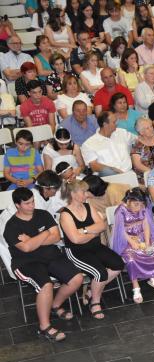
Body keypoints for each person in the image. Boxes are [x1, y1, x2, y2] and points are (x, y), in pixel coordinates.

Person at [4, 188, 83, 342]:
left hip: (51, 257)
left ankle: (55, 305)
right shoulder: (11, 226)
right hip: (26, 263)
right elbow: (26, 248)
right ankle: (44, 327)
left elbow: (56, 237)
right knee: (45, 286)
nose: (32, 205)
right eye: (27, 203)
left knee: (77, 279)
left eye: (33, 201)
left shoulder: (43, 215)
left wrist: (33, 239)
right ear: (17, 205)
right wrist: (45, 234)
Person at [60, 180, 124, 319]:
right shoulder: (65, 215)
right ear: (73, 194)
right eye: (84, 192)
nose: (87, 194)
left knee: (118, 264)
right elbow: (75, 240)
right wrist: (93, 233)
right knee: (100, 273)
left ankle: (91, 288)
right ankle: (95, 302)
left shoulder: (88, 207)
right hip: (76, 252)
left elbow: (101, 226)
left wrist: (83, 230)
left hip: (95, 247)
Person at [112, 188, 154, 303]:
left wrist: (148, 241)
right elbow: (120, 230)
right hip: (126, 240)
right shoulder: (121, 210)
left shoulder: (142, 207)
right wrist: (132, 242)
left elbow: (146, 225)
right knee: (132, 258)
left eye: (141, 205)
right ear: (128, 201)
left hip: (143, 237)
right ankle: (136, 286)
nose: (138, 208)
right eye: (136, 204)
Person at [82, 111, 136, 176]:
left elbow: (138, 140)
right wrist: (112, 170)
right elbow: (94, 166)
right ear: (105, 124)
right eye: (114, 122)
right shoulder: (89, 144)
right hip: (109, 177)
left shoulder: (122, 133)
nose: (117, 123)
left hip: (129, 173)